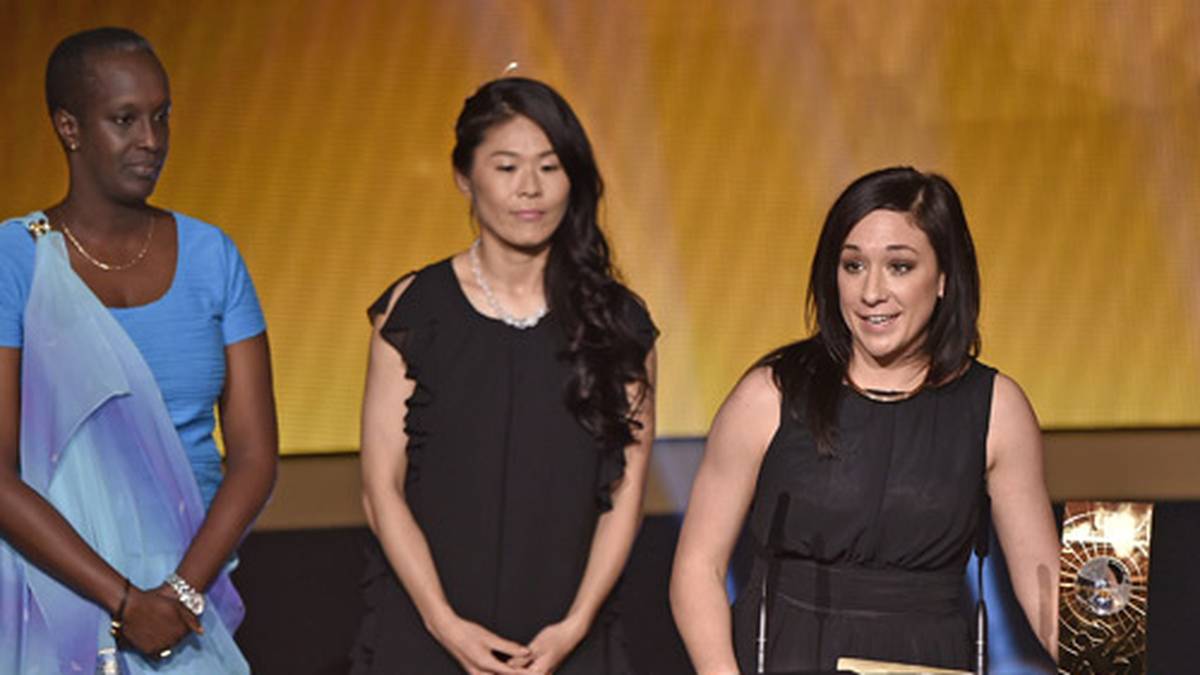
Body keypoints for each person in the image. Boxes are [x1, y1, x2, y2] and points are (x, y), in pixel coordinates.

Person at [670, 167, 1059, 673]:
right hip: (788, 654)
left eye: (899, 267)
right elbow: (697, 566)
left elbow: (1043, 583)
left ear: (943, 278)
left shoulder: (997, 409)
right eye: (853, 266)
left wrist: (1106, 658)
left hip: (927, 658)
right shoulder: (769, 395)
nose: (871, 292)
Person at [351, 76, 657, 675]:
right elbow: (379, 488)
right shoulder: (414, 311)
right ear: (465, 176)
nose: (530, 189)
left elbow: (626, 496)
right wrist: (444, 624)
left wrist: (573, 628)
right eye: (507, 166)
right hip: (426, 632)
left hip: (569, 640)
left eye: (549, 166)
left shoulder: (617, 322)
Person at [0, 27, 278, 673]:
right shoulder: (15, 261)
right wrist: (123, 599)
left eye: (161, 116)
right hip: (54, 593)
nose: (150, 140)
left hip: (191, 602)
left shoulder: (215, 257)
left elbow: (256, 456)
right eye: (124, 119)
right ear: (69, 127)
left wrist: (177, 594)